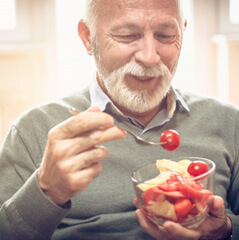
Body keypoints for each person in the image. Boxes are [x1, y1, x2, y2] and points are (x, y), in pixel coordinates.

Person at [0, 0, 237, 239]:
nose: (149, 57)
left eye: (165, 35)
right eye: (127, 36)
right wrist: (47, 190)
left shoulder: (229, 122)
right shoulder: (32, 130)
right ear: (87, 38)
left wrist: (225, 228)